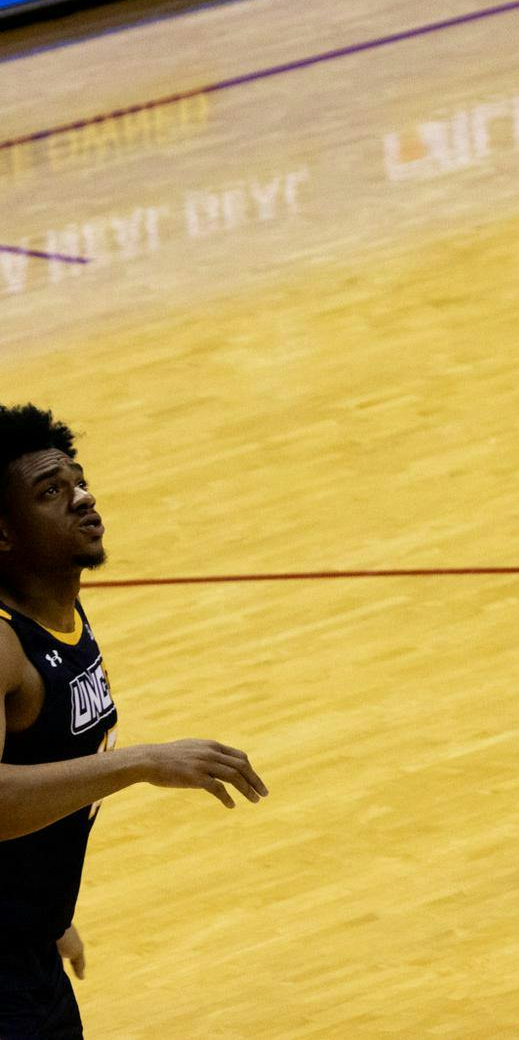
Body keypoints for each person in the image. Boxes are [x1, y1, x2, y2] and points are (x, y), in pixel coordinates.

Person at [0, 405, 268, 1037]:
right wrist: (141, 762)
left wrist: (43, 912)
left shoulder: (57, 608)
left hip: (24, 948)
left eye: (78, 480)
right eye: (50, 492)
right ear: (3, 533)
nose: (82, 498)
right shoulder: (3, 645)